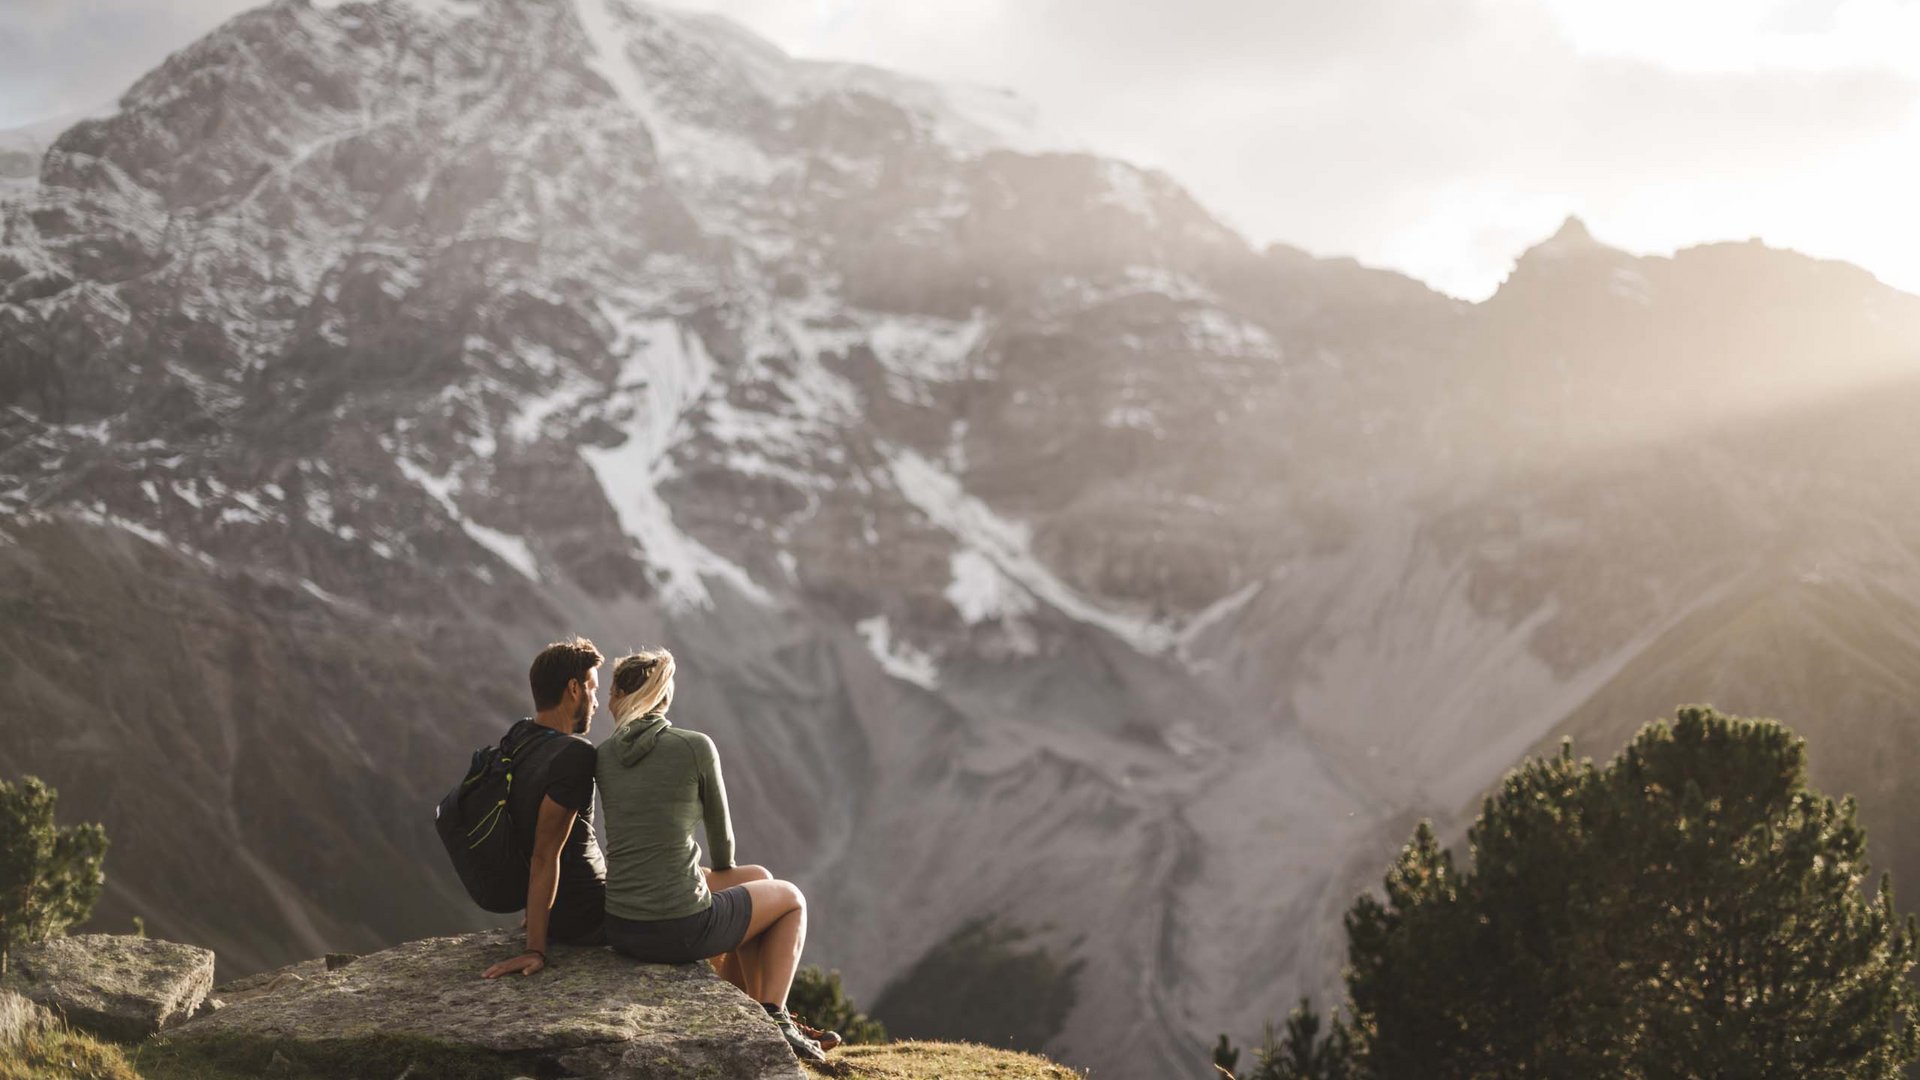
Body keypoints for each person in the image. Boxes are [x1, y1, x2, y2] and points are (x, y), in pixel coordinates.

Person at [595, 648, 832, 1062]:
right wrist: (706, 870)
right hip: (678, 928)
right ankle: (773, 1017)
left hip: (622, 925)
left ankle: (745, 1009)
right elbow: (723, 848)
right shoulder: (694, 746)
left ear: (616, 697)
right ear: (664, 697)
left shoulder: (603, 756)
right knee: (791, 899)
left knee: (758, 878)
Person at [481, 637, 608, 978]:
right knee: (728, 887)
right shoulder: (574, 755)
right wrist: (534, 950)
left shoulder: (519, 738)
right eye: (593, 689)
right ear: (574, 689)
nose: (596, 702)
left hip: (559, 911)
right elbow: (545, 854)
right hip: (590, 915)